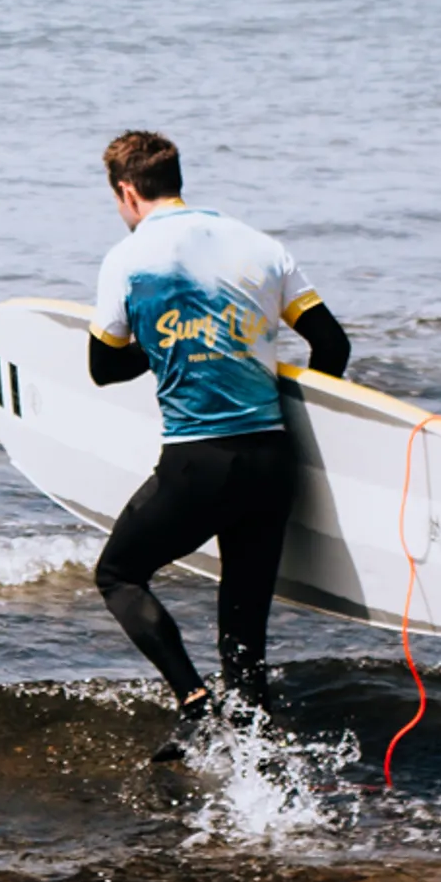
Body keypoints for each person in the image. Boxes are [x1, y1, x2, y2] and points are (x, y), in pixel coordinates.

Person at [84, 129, 352, 753]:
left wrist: (169, 347)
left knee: (119, 574)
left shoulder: (128, 259)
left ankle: (194, 702)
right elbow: (331, 346)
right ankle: (257, 770)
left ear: (127, 191)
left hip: (197, 464)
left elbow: (103, 366)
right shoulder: (261, 247)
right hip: (271, 462)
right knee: (243, 623)